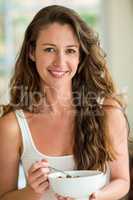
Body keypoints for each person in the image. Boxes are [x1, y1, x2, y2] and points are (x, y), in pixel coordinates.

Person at [0, 5, 130, 200]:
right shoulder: (12, 126)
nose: (60, 61)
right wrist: (33, 191)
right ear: (32, 52)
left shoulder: (109, 113)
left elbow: (122, 181)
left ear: (80, 56)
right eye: (49, 49)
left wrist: (96, 197)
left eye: (70, 51)